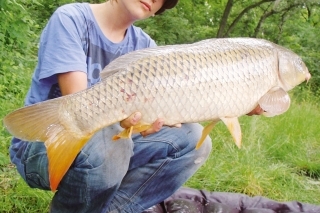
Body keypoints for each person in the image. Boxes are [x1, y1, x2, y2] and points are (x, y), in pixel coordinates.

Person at [9, 0, 263, 212]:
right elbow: (80, 106)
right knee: (108, 140)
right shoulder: (72, 19)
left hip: (111, 144)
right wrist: (123, 122)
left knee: (194, 139)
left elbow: (142, 127)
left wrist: (151, 123)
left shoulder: (146, 48)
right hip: (45, 141)